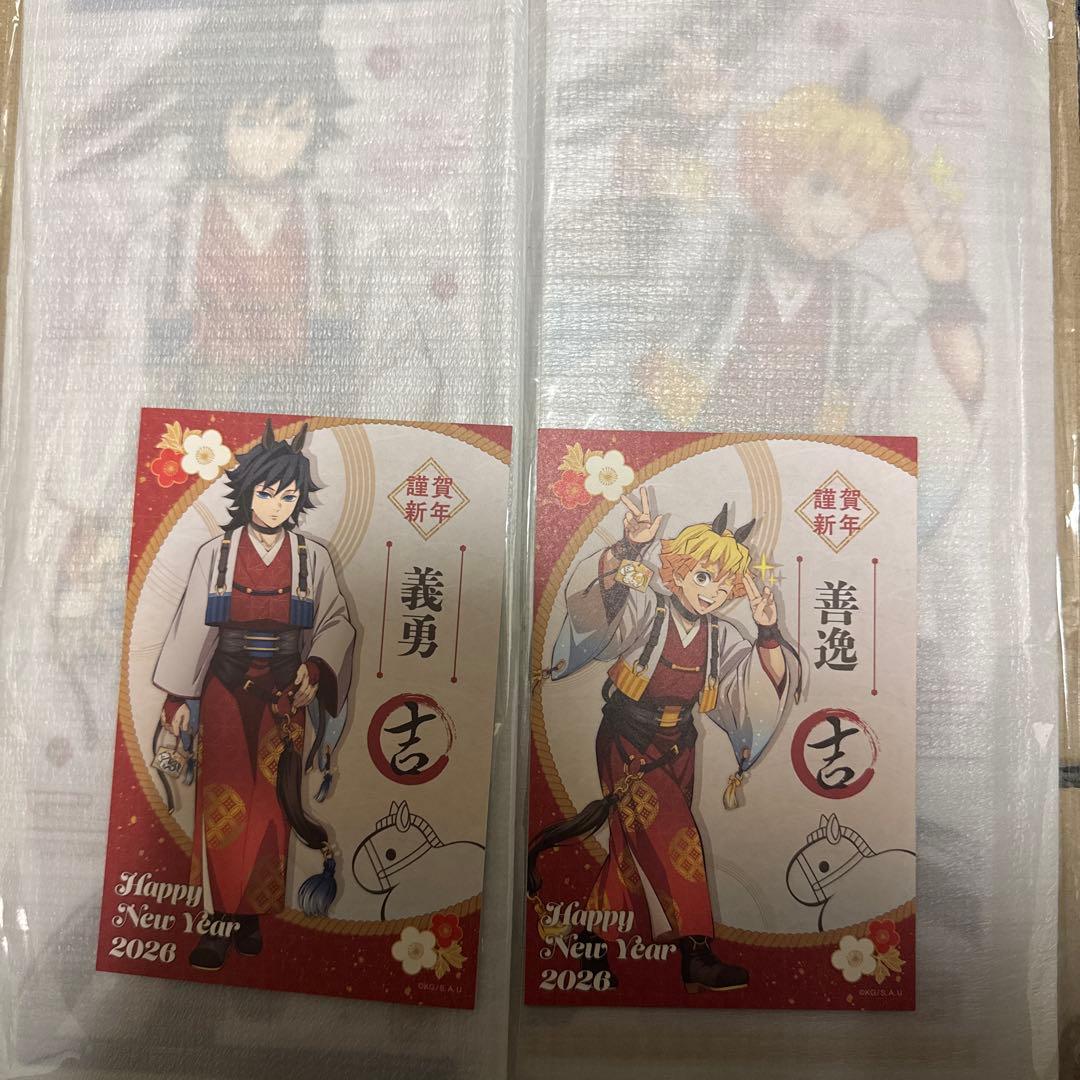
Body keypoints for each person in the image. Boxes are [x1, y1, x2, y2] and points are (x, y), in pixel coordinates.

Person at [530, 492, 800, 993]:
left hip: (681, 744)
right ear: (676, 572)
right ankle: (695, 952)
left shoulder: (723, 636)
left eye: (723, 583)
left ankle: (592, 940)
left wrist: (767, 630)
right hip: (628, 736)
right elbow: (595, 615)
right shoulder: (648, 610)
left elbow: (761, 686)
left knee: (632, 845)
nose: (712, 592)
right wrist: (629, 550)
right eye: (703, 576)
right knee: (678, 838)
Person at [154, 420, 356, 972]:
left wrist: (316, 666)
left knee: (272, 803)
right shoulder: (216, 554)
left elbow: (336, 621)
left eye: (287, 497)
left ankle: (252, 917)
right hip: (225, 687)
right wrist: (179, 698)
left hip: (286, 694)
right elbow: (192, 630)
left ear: (299, 499)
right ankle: (218, 920)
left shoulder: (312, 557)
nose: (276, 506)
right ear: (247, 493)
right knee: (224, 799)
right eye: (267, 494)